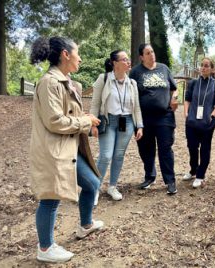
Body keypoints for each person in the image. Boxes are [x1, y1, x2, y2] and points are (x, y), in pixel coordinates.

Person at [29, 36, 104, 263]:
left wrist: (86, 118)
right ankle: (45, 248)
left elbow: (68, 114)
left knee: (92, 183)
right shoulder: (49, 82)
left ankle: (86, 225)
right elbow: (55, 121)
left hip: (69, 148)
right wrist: (85, 122)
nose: (80, 58)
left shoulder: (66, 81)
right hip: (54, 150)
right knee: (51, 198)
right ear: (65, 54)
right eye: (77, 53)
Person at [90, 50, 144, 203]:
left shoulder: (132, 83)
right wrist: (92, 123)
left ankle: (112, 186)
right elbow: (95, 103)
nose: (128, 62)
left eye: (128, 59)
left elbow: (137, 107)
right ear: (115, 63)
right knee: (106, 156)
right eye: (125, 59)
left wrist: (139, 126)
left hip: (126, 122)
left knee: (119, 156)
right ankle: (95, 188)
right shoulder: (104, 78)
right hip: (108, 121)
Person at [129, 43, 179, 194]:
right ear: (141, 57)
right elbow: (130, 93)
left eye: (152, 51)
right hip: (144, 119)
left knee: (165, 148)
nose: (152, 55)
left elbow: (174, 88)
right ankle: (149, 177)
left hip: (164, 117)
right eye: (148, 53)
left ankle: (170, 181)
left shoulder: (164, 68)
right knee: (146, 149)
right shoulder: (136, 72)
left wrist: (174, 98)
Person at [182, 57, 215, 188]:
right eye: (202, 65)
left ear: (211, 69)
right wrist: (186, 113)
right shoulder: (193, 83)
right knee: (192, 146)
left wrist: (213, 115)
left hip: (207, 122)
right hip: (192, 121)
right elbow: (187, 99)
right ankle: (193, 169)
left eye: (206, 66)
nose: (203, 68)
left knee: (205, 148)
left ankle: (200, 175)